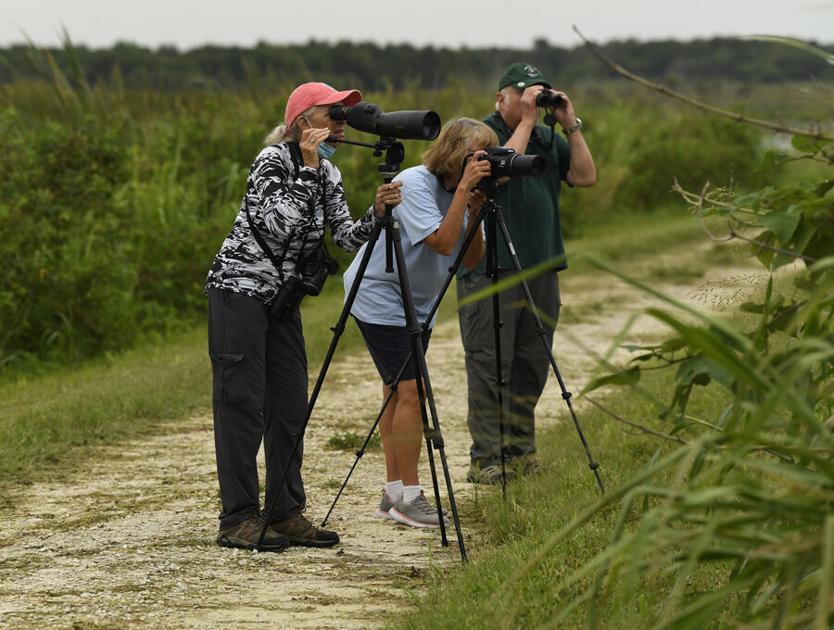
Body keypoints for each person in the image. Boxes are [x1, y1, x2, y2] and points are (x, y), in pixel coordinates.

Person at [204, 82, 402, 551]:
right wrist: (310, 168)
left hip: (281, 301)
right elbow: (279, 222)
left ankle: (285, 512)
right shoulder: (271, 160)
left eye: (343, 116)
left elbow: (346, 238)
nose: (340, 124)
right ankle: (237, 518)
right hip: (239, 290)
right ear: (301, 123)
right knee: (241, 403)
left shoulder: (328, 174)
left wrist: (375, 213)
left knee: (291, 404)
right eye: (333, 114)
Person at [343, 118, 497, 527]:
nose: (482, 164)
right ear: (455, 154)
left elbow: (469, 258)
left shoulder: (458, 193)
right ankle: (411, 497)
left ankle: (392, 493)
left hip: (417, 304)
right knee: (412, 392)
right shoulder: (414, 183)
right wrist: (465, 191)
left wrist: (474, 209)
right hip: (380, 296)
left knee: (397, 393)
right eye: (476, 156)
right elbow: (441, 243)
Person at [457, 63, 597, 484]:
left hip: (541, 267)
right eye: (524, 93)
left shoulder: (546, 138)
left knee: (530, 364)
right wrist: (530, 118)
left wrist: (570, 125)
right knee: (490, 363)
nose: (533, 99)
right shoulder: (482, 134)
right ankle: (486, 458)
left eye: (539, 93)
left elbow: (585, 176)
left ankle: (519, 452)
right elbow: (498, 169)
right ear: (501, 98)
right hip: (491, 269)